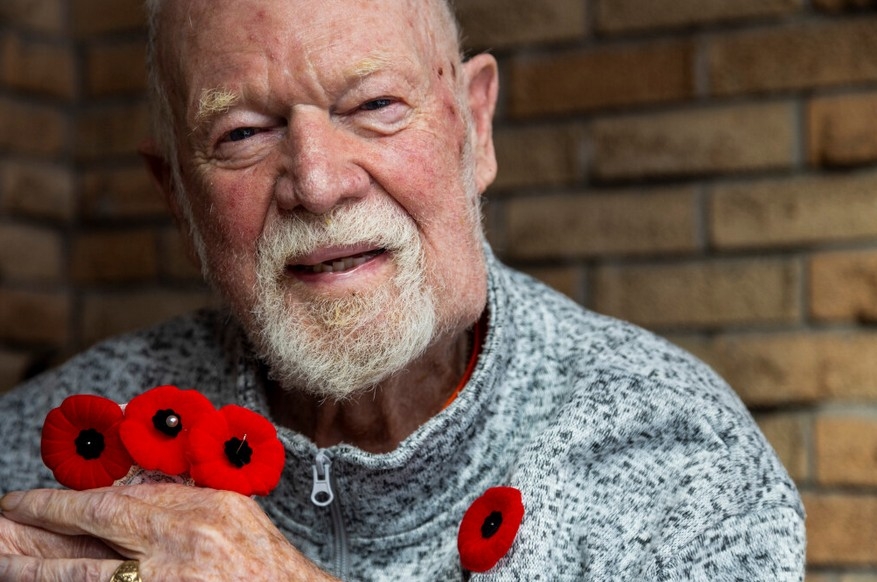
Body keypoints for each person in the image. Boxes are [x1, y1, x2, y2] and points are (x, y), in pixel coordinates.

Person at [0, 0, 805, 580]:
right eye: (241, 132)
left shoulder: (671, 451)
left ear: (474, 127)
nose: (318, 183)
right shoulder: (33, 446)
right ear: (178, 195)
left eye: (374, 105)